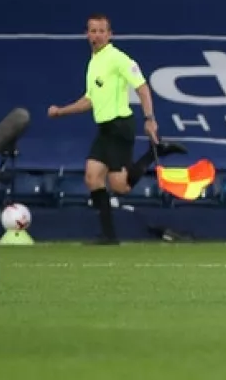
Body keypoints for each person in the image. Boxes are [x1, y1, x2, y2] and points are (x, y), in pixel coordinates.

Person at [48, 13, 187, 244]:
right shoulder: (94, 62)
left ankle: (155, 153)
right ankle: (109, 236)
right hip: (104, 129)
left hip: (120, 126)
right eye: (93, 31)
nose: (97, 35)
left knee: (120, 187)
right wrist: (61, 111)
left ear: (110, 34)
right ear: (86, 34)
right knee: (92, 178)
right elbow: (89, 100)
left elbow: (142, 87)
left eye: (102, 31)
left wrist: (149, 118)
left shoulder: (118, 58)